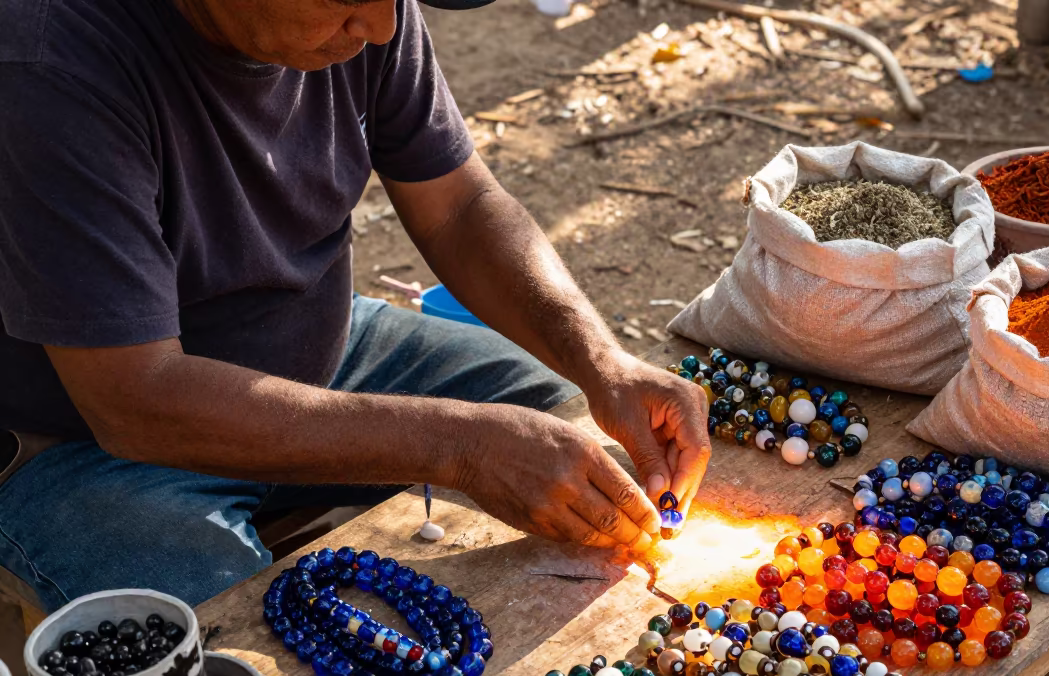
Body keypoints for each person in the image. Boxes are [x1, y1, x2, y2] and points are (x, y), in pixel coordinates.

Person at [0, 0, 710, 611]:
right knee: (227, 661)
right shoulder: (51, 63)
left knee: (566, 432)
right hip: (82, 445)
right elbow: (135, 401)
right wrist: (459, 446)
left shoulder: (371, 12)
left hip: (327, 349)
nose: (377, 28)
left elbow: (460, 207)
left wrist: (602, 361)